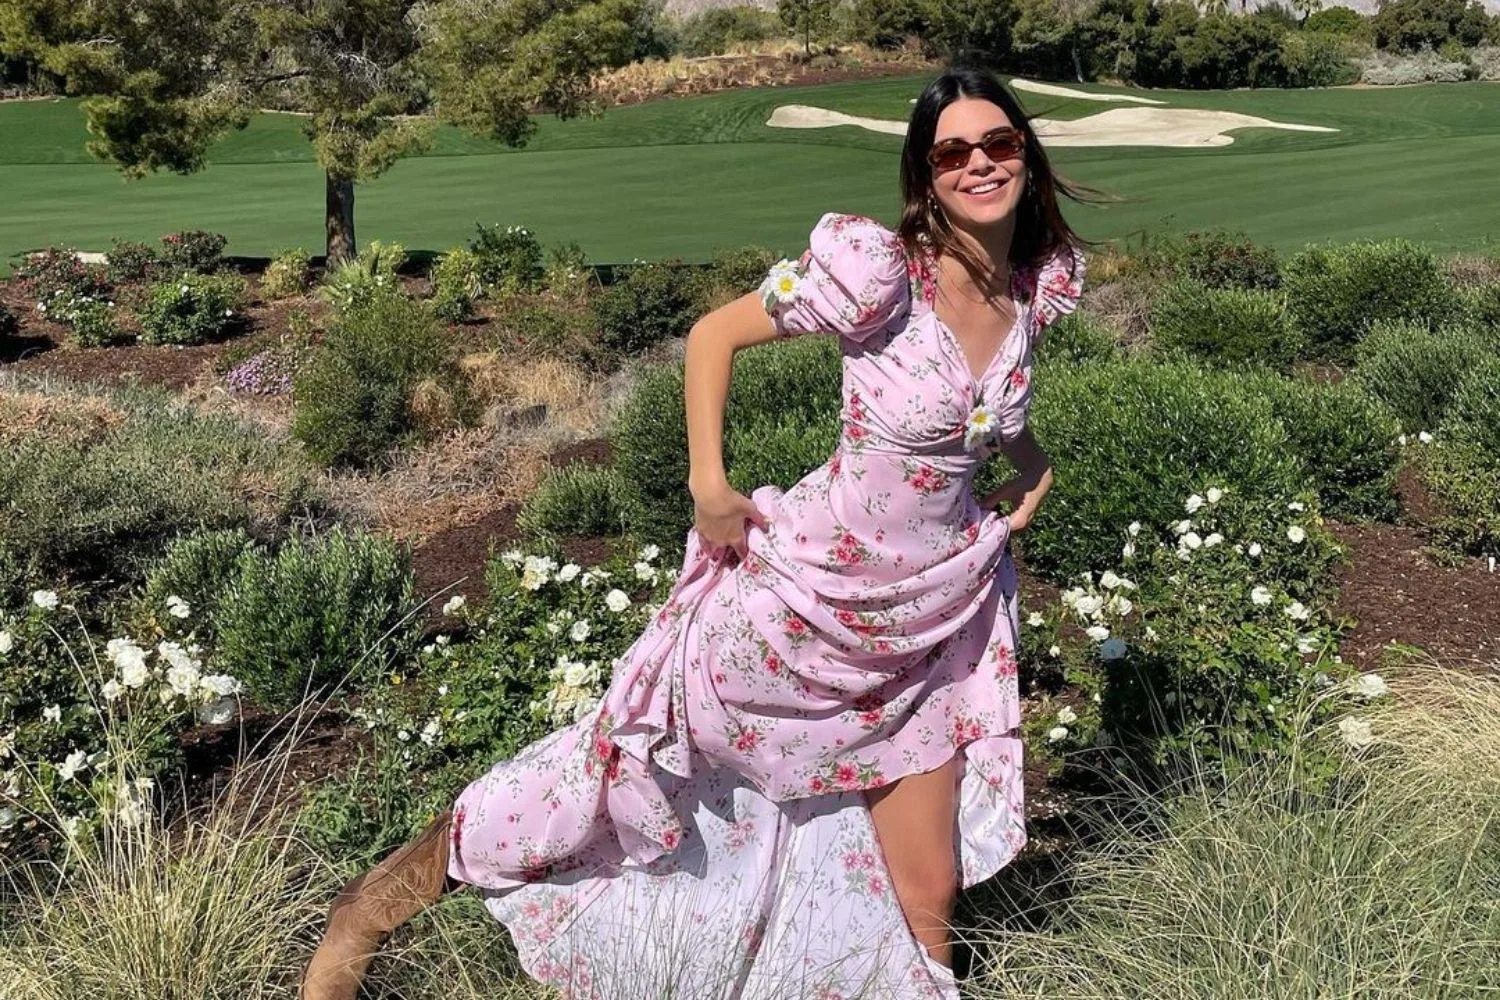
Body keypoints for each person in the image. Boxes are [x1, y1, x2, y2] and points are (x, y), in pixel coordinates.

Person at [300, 61, 1092, 1000]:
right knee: (623, 771)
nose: (979, 164)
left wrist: (1028, 454)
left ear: (1026, 156)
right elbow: (712, 335)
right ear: (925, 177)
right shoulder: (879, 275)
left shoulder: (1031, 286)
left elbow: (982, 406)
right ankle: (373, 909)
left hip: (933, 619)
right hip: (805, 607)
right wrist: (708, 485)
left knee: (929, 888)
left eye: (998, 143)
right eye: (952, 151)